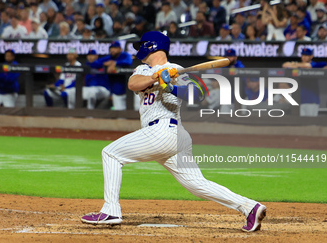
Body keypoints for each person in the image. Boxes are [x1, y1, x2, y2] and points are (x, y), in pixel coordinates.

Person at [80, 31, 267, 232]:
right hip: (168, 137)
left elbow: (199, 94)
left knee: (110, 153)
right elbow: (133, 84)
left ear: (151, 46)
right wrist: (155, 77)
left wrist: (170, 87)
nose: (138, 49)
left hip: (165, 131)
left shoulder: (177, 70)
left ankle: (111, 210)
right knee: (196, 184)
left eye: (141, 45)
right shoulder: (142, 69)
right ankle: (250, 207)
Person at [87, 41, 133, 110]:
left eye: (115, 48)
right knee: (120, 114)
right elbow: (93, 64)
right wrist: (105, 64)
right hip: (117, 92)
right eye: (111, 48)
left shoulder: (125, 55)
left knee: (137, 110)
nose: (112, 50)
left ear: (120, 49)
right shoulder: (108, 58)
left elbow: (128, 62)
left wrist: (115, 63)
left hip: (132, 91)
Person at [282, 48, 327, 116]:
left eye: (307, 55)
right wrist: (296, 64)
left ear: (311, 56)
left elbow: (309, 66)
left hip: (312, 100)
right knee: (300, 123)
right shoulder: (298, 66)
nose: (304, 57)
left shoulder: (315, 65)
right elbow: (284, 65)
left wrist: (295, 65)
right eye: (303, 55)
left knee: (311, 123)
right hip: (299, 100)